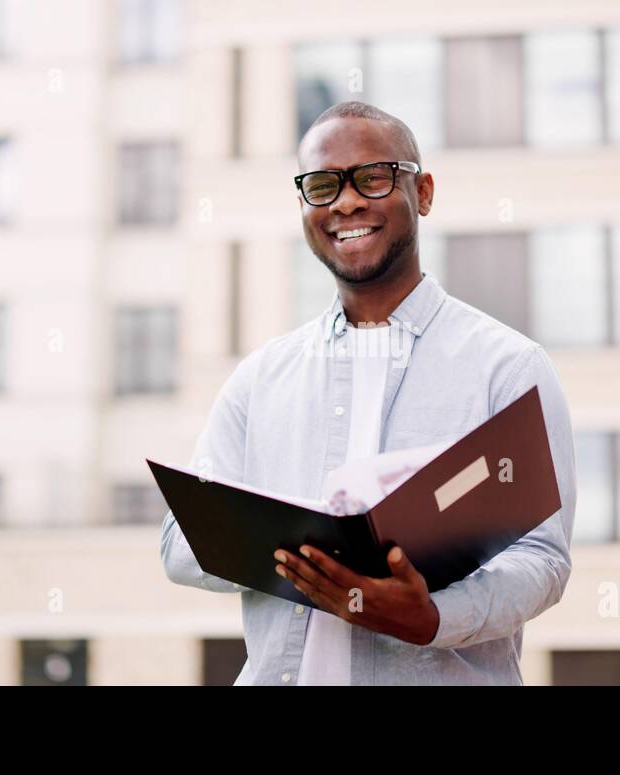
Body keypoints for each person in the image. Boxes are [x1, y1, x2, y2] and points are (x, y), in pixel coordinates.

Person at [160, 101, 577, 685]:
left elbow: (543, 560)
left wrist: (432, 617)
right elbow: (180, 544)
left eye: (374, 177)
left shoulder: (508, 368)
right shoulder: (259, 379)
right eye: (322, 186)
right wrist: (305, 553)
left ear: (423, 192)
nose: (346, 202)